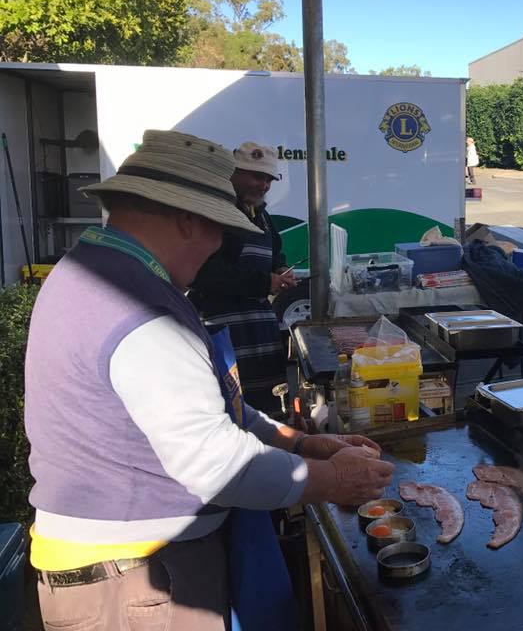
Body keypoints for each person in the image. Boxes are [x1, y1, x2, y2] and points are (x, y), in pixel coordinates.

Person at [24, 130, 394, 629]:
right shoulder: (138, 309)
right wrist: (336, 480)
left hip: (126, 565)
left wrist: (302, 443)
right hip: (136, 579)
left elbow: (215, 407)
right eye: (221, 229)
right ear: (187, 220)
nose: (221, 243)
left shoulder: (94, 269)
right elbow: (216, 461)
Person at [190, 141, 297, 414]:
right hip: (224, 333)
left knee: (267, 412)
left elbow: (275, 254)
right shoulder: (216, 213)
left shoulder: (261, 215)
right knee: (231, 409)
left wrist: (281, 271)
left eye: (269, 180)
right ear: (234, 173)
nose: (263, 186)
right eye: (256, 176)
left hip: (259, 334)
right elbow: (205, 273)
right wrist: (264, 283)